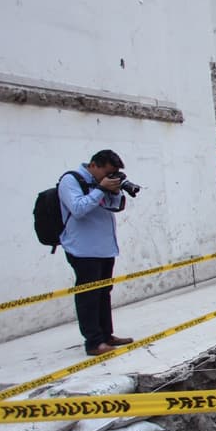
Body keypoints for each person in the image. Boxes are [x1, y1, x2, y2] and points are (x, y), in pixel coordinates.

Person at [59, 149, 133, 356]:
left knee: (103, 293)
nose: (109, 177)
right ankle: (93, 342)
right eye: (107, 173)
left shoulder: (100, 184)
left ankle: (106, 335)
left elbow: (113, 207)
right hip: (83, 249)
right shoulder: (71, 180)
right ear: (93, 165)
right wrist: (101, 189)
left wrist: (115, 192)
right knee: (88, 296)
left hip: (105, 248)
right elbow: (78, 209)